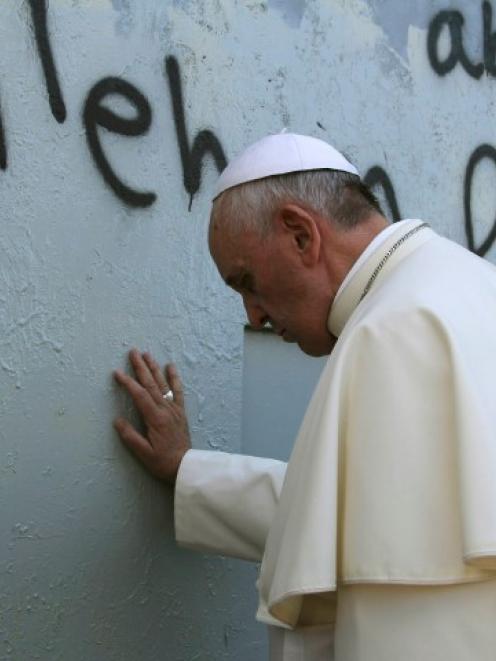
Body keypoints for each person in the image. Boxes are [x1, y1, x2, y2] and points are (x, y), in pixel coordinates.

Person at [113, 133, 496, 661]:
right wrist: (187, 469)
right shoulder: (463, 286)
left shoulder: (389, 330)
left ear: (300, 234)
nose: (253, 314)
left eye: (247, 281)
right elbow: (346, 519)